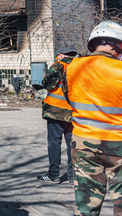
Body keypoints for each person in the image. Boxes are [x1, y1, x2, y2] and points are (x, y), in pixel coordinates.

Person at [62, 21, 122, 216]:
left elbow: (69, 98)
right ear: (116, 45)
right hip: (118, 145)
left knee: (86, 205)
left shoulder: (71, 68)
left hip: (83, 144)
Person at [36, 48, 80, 184]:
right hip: (73, 112)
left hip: (56, 112)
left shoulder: (58, 66)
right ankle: (72, 176)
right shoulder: (80, 67)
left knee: (54, 143)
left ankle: (53, 174)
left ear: (60, 55)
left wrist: (45, 79)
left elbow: (48, 85)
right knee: (72, 145)